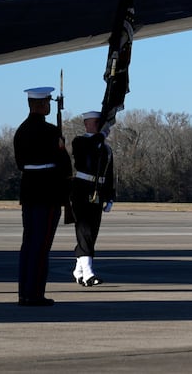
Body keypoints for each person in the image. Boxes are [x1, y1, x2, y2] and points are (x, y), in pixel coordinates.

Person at [14, 86, 71, 307]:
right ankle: (35, 294)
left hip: (29, 190)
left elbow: (21, 164)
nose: (49, 105)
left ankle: (24, 292)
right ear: (40, 105)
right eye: (47, 102)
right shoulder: (50, 132)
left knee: (28, 244)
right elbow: (64, 164)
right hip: (47, 192)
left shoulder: (21, 131)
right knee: (41, 245)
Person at [69, 110, 115, 287]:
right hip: (81, 189)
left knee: (92, 231)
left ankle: (79, 270)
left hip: (98, 190)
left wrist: (110, 197)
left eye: (100, 123)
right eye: (96, 123)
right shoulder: (80, 141)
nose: (99, 126)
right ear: (87, 124)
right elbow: (88, 149)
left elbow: (109, 173)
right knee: (85, 230)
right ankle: (88, 273)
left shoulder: (106, 148)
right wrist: (102, 135)